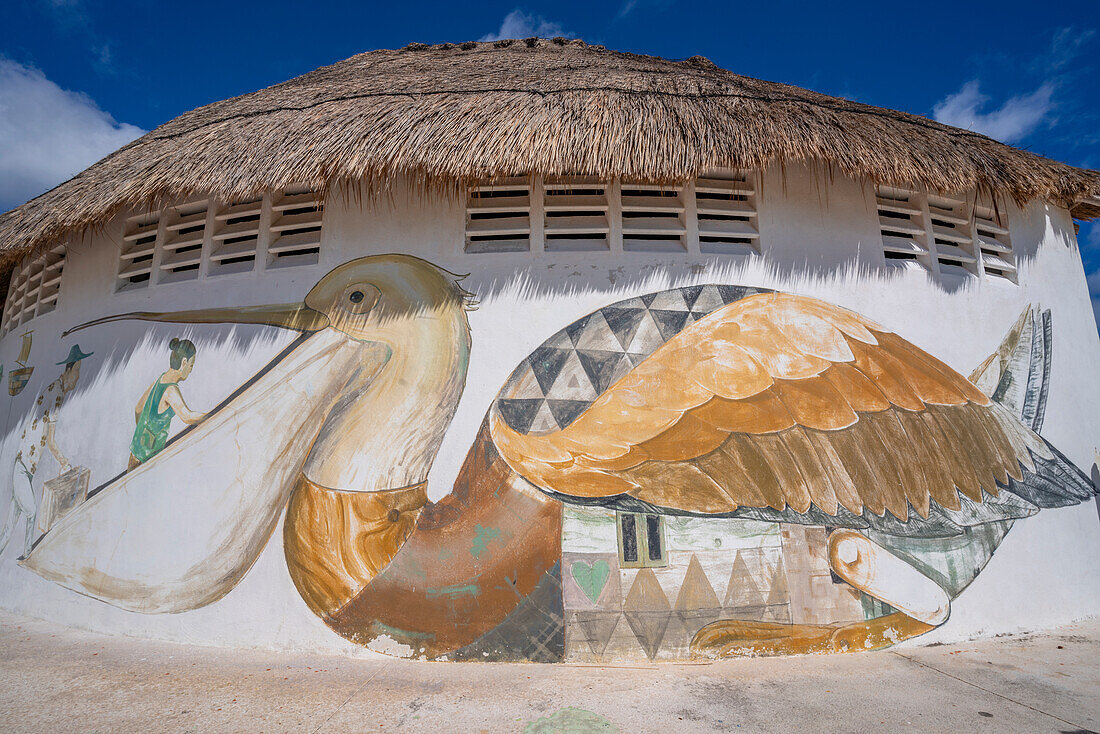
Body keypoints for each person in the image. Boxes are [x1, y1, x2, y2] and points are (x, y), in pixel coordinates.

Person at [0, 344, 91, 557]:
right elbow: (50, 441)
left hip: (24, 467)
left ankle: (21, 553)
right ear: (67, 371)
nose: (77, 379)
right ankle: (28, 555)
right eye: (76, 372)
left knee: (9, 527)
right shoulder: (57, 394)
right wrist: (63, 461)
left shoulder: (53, 388)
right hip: (22, 468)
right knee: (31, 512)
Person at [128, 338, 206, 469]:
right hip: (146, 459)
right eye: (191, 365)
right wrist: (211, 416)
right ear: (184, 362)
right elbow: (187, 417)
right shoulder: (170, 390)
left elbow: (138, 409)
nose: (191, 370)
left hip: (134, 455)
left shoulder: (160, 379)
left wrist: (143, 430)